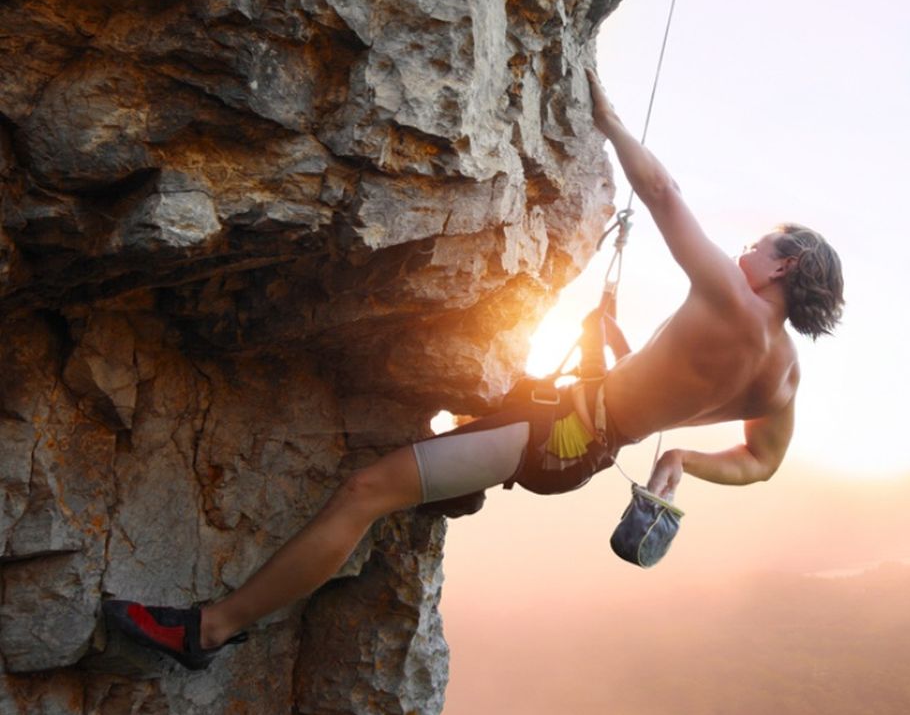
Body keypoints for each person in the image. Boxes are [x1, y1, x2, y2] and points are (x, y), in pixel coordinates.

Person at [104, 69, 845, 670]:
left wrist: (611, 118)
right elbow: (760, 462)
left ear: (784, 265)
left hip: (552, 432)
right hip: (582, 443)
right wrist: (681, 455)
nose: (744, 249)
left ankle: (209, 629)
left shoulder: (731, 301)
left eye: (760, 243)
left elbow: (664, 194)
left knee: (366, 491)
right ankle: (453, 483)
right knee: (438, 445)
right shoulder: (781, 377)